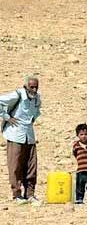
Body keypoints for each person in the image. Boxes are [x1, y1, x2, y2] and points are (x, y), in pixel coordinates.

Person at [0, 75, 41, 206]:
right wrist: (6, 117)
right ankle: (17, 194)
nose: (34, 89)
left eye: (36, 87)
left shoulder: (37, 98)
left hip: (29, 136)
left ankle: (30, 194)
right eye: (31, 87)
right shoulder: (18, 95)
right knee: (15, 165)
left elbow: (36, 112)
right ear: (25, 86)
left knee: (31, 166)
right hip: (15, 135)